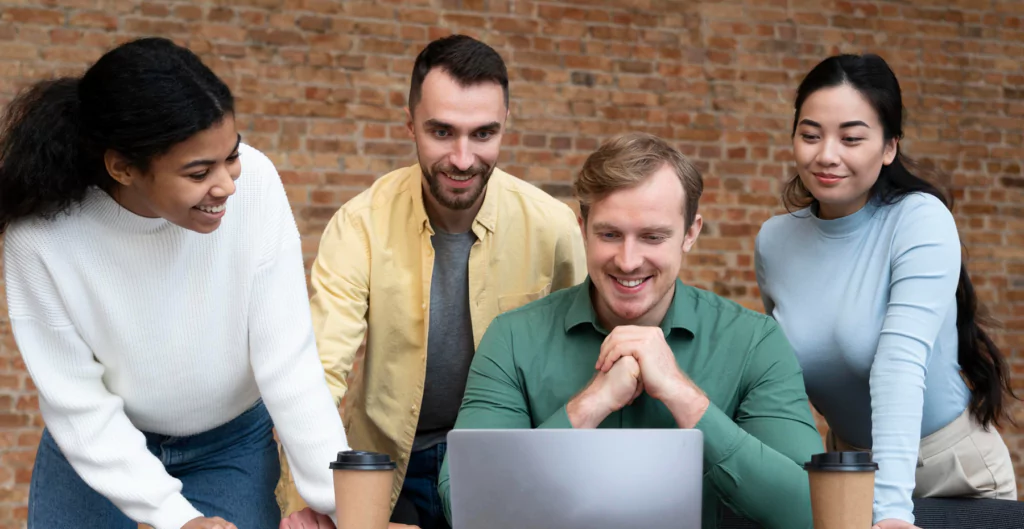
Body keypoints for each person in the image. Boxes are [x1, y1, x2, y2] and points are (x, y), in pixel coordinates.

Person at [0, 38, 348, 529]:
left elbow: (288, 363)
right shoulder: (41, 235)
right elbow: (76, 402)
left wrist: (343, 503)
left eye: (231, 155)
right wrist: (175, 518)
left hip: (230, 447)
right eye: (199, 171)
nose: (227, 184)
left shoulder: (258, 188)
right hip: (95, 446)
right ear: (122, 166)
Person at [436, 132, 822, 529]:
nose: (628, 260)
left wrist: (683, 397)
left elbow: (813, 511)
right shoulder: (513, 339)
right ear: (582, 227)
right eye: (609, 234)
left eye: (653, 237)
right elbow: (466, 506)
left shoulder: (754, 342)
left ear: (691, 233)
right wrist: (589, 406)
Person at [278, 35, 586, 529]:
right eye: (442, 132)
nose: (463, 159)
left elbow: (581, 356)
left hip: (508, 462)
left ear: (506, 125)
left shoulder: (552, 227)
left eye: (483, 134)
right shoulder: (361, 223)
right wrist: (305, 493)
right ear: (410, 125)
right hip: (387, 464)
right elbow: (319, 372)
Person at [755, 53, 1018, 529]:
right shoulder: (775, 242)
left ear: (890, 146)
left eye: (852, 138)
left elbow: (898, 366)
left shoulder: (919, 220)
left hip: (951, 474)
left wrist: (892, 513)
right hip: (847, 472)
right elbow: (779, 378)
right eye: (810, 135)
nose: (826, 154)